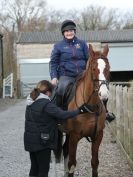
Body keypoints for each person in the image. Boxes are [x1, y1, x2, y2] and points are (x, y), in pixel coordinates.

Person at [24, 80, 92, 177]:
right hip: (42, 143)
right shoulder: (46, 104)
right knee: (43, 171)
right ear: (48, 92)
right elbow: (63, 114)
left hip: (30, 141)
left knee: (34, 168)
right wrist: (80, 110)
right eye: (52, 93)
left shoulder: (30, 102)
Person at [50, 19, 89, 107]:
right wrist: (54, 77)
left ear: (74, 31)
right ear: (63, 33)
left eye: (71, 31)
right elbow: (53, 63)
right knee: (60, 89)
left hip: (83, 74)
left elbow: (89, 59)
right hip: (66, 75)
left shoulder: (82, 44)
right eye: (66, 31)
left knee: (99, 87)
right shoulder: (58, 46)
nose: (69, 33)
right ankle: (58, 112)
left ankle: (104, 111)